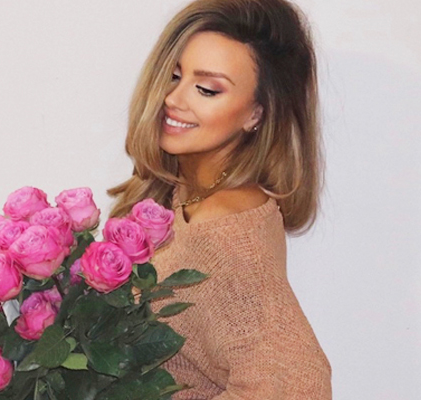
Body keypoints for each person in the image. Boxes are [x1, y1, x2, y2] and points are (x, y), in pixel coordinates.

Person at [107, 0, 332, 398]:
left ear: (256, 114)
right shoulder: (187, 195)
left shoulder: (229, 234)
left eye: (207, 89)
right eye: (174, 76)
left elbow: (298, 385)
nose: (174, 99)